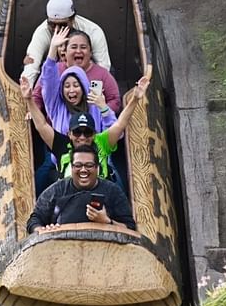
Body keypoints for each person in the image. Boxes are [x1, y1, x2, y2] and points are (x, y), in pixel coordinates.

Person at [21, 75, 150, 182]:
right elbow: (41, 125)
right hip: (70, 202)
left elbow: (120, 124)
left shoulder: (102, 142)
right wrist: (29, 100)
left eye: (87, 132)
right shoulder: (62, 145)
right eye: (77, 132)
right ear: (69, 134)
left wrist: (135, 98)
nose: (82, 137)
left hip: (101, 198)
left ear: (94, 134)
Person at [26, 144, 136, 234]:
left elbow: (130, 228)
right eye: (78, 165)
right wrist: (43, 230)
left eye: (89, 165)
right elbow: (34, 220)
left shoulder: (113, 191)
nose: (83, 170)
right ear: (72, 167)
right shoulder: (56, 191)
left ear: (97, 168)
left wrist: (107, 221)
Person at [21, 0, 111, 88]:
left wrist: (94, 96)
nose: (57, 29)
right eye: (52, 24)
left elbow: (103, 66)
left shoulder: (93, 31)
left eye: (62, 25)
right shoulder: (42, 32)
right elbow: (31, 65)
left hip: (85, 74)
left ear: (72, 19)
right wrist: (26, 89)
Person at [33, 28, 121, 118]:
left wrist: (99, 113)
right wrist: (34, 114)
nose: (78, 51)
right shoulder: (54, 70)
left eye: (83, 47)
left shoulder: (102, 74)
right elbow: (37, 96)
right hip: (57, 128)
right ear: (65, 53)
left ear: (90, 53)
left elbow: (115, 100)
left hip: (93, 128)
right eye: (74, 47)